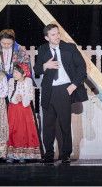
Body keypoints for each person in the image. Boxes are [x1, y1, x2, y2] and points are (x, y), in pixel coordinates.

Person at [33, 24, 88, 164]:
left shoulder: (69, 47)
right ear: (47, 37)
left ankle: (65, 154)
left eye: (57, 33)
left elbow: (82, 68)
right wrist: (46, 66)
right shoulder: (43, 49)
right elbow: (37, 69)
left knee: (64, 123)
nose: (57, 36)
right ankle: (49, 154)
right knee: (48, 125)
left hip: (64, 89)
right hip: (48, 90)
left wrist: (73, 86)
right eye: (53, 34)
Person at [6, 62, 41, 163]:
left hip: (24, 110)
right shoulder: (12, 81)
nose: (14, 74)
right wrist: (15, 98)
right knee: (12, 129)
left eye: (17, 72)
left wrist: (23, 98)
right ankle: (11, 154)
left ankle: (22, 154)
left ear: (24, 74)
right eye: (14, 72)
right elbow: (9, 93)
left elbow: (30, 94)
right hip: (13, 109)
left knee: (23, 130)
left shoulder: (28, 81)